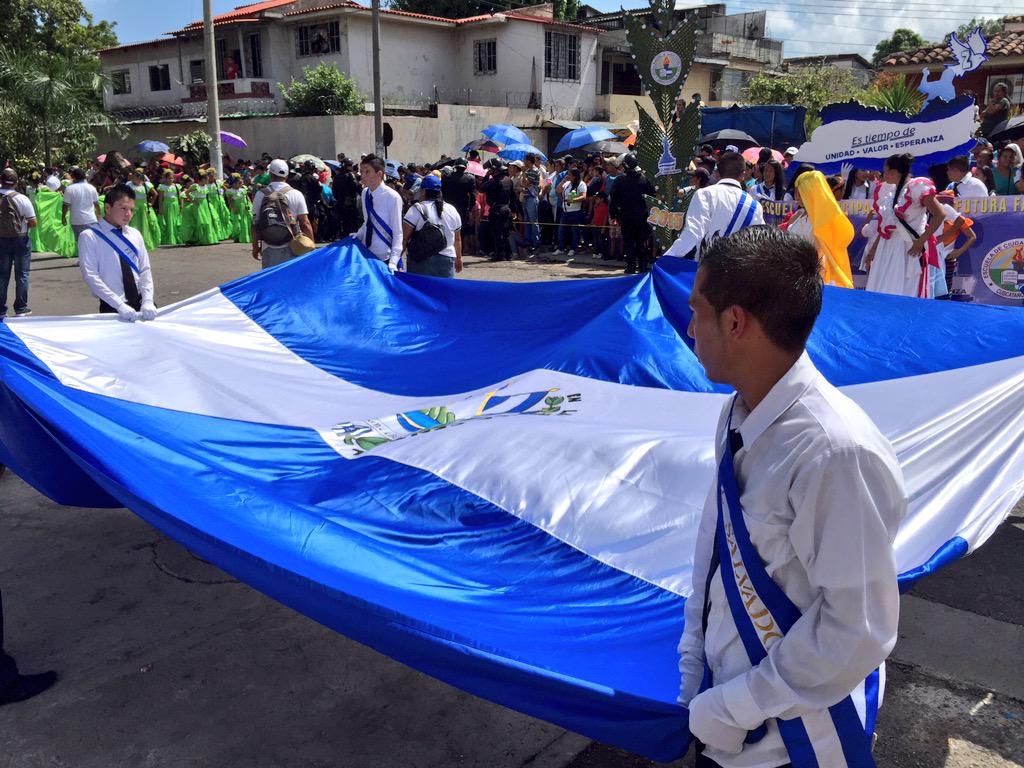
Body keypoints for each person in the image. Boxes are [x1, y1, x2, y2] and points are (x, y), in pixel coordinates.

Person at [679, 225, 904, 768]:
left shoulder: (836, 453)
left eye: (697, 312)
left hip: (796, 745)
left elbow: (858, 629)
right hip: (726, 719)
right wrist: (694, 670)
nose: (690, 329)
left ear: (735, 322)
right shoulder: (738, 411)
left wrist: (732, 709)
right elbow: (716, 545)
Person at [862, 153, 945, 298]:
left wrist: (921, 241)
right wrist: (873, 249)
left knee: (906, 290)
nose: (884, 174)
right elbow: (885, 227)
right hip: (887, 248)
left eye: (885, 170)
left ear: (894, 172)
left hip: (909, 247)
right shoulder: (888, 190)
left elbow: (940, 214)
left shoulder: (917, 187)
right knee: (882, 287)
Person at [665, 151, 766, 261]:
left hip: (705, 270)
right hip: (737, 272)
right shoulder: (755, 206)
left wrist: (666, 258)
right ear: (743, 174)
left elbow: (693, 233)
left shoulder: (704, 194)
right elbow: (759, 243)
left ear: (717, 173)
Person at [77, 184, 157, 321]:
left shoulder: (134, 234)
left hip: (141, 302)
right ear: (107, 208)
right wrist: (119, 305)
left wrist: (148, 300)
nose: (128, 214)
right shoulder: (89, 236)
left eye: (131, 209)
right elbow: (90, 275)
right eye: (123, 208)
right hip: (112, 305)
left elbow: (145, 269)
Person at [780, 169, 854, 288]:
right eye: (796, 192)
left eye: (801, 192)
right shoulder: (799, 215)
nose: (797, 196)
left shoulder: (823, 220)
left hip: (811, 272)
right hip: (793, 269)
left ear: (811, 193)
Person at [252, 158, 313, 270]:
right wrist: (311, 246)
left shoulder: (260, 194)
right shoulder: (296, 194)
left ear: (270, 173)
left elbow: (255, 224)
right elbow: (305, 224)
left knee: (271, 282)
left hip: (268, 247)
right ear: (287, 175)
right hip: (293, 246)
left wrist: (255, 248)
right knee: (291, 281)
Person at [401, 174, 462, 278]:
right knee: (442, 294)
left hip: (421, 262)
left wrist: (396, 258)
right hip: (446, 262)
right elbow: (457, 239)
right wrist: (459, 259)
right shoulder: (452, 210)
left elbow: (404, 238)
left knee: (419, 293)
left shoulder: (416, 209)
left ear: (423, 191)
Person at [351, 154, 403, 271]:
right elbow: (367, 222)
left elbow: (398, 232)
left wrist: (394, 261)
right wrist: (359, 234)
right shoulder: (365, 193)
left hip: (384, 257)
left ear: (379, 174)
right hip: (366, 253)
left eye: (367, 172)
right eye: (361, 171)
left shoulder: (392, 197)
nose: (362, 175)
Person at [0, 169, 38, 318]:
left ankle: (1, 310)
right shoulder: (22, 198)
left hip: (1, 240)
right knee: (22, 274)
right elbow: (33, 222)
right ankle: (21, 308)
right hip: (21, 239)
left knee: (2, 275)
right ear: (16, 182)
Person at [608, 155, 655, 274]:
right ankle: (643, 266)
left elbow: (613, 199)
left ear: (625, 166)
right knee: (641, 241)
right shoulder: (645, 179)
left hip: (626, 216)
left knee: (629, 242)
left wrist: (613, 215)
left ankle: (631, 266)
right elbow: (652, 196)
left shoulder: (620, 180)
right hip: (642, 217)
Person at [482, 160, 515, 262]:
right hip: (507, 208)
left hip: (497, 210)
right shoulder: (509, 180)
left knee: (497, 233)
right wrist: (514, 210)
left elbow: (481, 188)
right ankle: (508, 254)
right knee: (506, 233)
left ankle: (499, 254)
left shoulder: (493, 182)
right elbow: (513, 197)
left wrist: (487, 176)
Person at [61, 167, 100, 243]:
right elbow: (96, 204)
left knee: (81, 243)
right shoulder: (91, 188)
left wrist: (63, 217)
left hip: (77, 221)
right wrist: (98, 215)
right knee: (92, 242)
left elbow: (65, 206)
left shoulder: (70, 189)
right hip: (91, 219)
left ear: (73, 177)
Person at [555, 167, 587, 259]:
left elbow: (583, 196)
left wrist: (573, 200)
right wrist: (563, 181)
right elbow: (558, 190)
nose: (567, 176)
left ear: (574, 176)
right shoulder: (567, 183)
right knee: (561, 230)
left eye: (569, 175)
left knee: (574, 231)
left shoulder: (581, 184)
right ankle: (561, 248)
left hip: (575, 211)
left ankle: (573, 248)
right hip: (565, 211)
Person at [128, 168, 161, 250]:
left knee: (146, 225)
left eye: (134, 176)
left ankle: (145, 243)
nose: (132, 177)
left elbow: (155, 194)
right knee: (134, 225)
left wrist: (151, 203)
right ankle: (133, 243)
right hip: (134, 207)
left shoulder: (146, 185)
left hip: (144, 208)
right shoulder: (129, 185)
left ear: (138, 177)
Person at [156, 169, 183, 246]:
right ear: (166, 178)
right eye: (169, 178)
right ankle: (169, 239)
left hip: (175, 205)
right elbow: (160, 199)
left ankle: (177, 237)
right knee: (168, 221)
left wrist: (181, 205)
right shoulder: (162, 187)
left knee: (175, 221)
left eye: (172, 178)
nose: (171, 180)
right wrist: (161, 208)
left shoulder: (177, 186)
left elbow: (180, 196)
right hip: (166, 205)